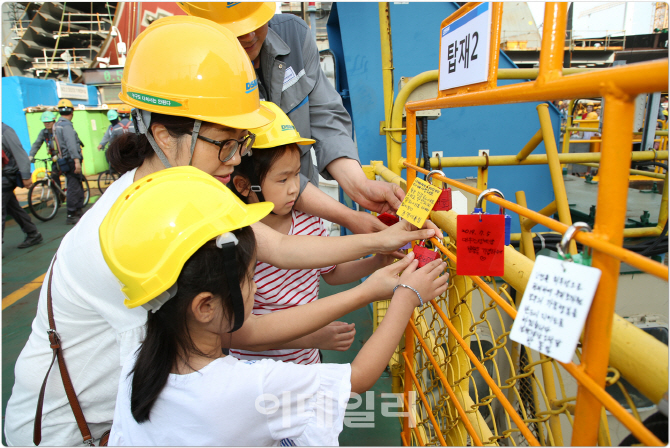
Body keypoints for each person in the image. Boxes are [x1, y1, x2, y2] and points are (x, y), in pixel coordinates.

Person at [4, 16, 440, 447]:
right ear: (165, 136)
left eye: (242, 145)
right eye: (225, 144)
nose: (235, 161)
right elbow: (238, 329)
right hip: (74, 432)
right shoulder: (142, 223)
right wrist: (376, 278)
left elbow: (282, 249)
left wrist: (379, 235)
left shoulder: (176, 193)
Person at [100, 167, 448, 446]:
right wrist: (405, 296)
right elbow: (357, 377)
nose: (257, 287)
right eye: (249, 278)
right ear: (204, 307)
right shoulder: (249, 386)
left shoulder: (139, 361)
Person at [178, 3, 406, 234]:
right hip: (239, 222)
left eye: (256, 21)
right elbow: (264, 166)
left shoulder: (294, 36)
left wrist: (359, 186)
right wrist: (348, 216)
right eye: (234, 28)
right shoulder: (189, 69)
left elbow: (325, 117)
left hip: (305, 215)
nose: (249, 35)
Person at [229, 102, 396, 364]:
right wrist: (311, 338)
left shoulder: (310, 222)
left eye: (297, 175)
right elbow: (244, 330)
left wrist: (377, 261)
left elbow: (331, 273)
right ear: (243, 185)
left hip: (307, 362)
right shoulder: (236, 239)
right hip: (255, 367)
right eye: (283, 180)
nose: (295, 188)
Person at [2, 123, 43, 248]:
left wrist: (25, 176)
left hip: (6, 177)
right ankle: (32, 233)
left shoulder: (5, 131)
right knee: (12, 207)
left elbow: (20, 153)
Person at [53, 98, 86, 224]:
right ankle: (72, 212)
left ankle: (77, 210)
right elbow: (71, 145)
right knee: (74, 186)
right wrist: (76, 160)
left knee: (75, 184)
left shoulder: (57, 125)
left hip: (63, 160)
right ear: (72, 111)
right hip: (71, 160)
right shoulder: (66, 125)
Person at [29, 111, 63, 192]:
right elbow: (37, 144)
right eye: (45, 122)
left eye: (49, 122)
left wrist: (59, 155)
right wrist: (31, 155)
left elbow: (65, 144)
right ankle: (58, 196)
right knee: (54, 176)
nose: (47, 124)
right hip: (54, 158)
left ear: (54, 121)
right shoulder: (44, 132)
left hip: (64, 157)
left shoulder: (59, 131)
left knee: (70, 177)